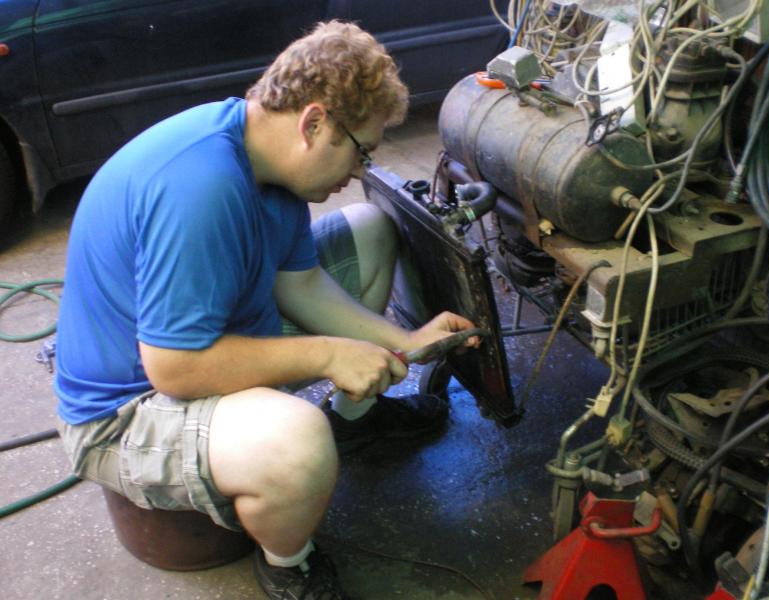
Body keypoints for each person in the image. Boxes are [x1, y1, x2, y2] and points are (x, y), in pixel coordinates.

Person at [54, 20, 479, 600]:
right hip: (127, 412)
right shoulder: (202, 186)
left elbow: (301, 286)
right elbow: (175, 368)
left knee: (371, 229)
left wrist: (404, 342)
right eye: (360, 151)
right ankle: (288, 564)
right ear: (313, 123)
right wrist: (329, 355)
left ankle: (355, 423)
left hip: (208, 340)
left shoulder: (267, 164)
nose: (360, 170)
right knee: (297, 443)